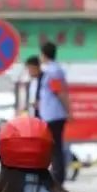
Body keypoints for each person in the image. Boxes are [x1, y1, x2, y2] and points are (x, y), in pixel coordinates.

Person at [37, 42, 72, 184]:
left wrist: (68, 110)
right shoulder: (51, 70)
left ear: (44, 55)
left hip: (54, 114)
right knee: (53, 147)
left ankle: (58, 178)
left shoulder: (53, 71)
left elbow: (59, 92)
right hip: (50, 114)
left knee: (55, 148)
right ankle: (56, 176)